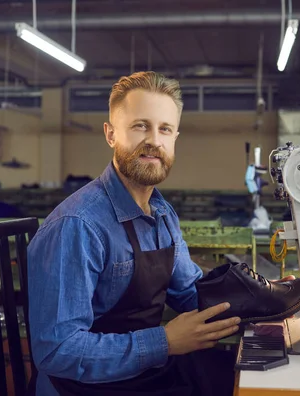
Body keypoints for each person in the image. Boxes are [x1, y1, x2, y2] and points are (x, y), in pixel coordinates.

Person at [27, 71, 245, 395]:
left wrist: (265, 306)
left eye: (165, 129)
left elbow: (190, 294)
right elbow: (57, 351)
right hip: (83, 387)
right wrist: (165, 342)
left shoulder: (162, 214)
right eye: (141, 125)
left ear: (174, 138)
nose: (154, 141)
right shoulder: (78, 225)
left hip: (139, 375)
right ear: (111, 134)